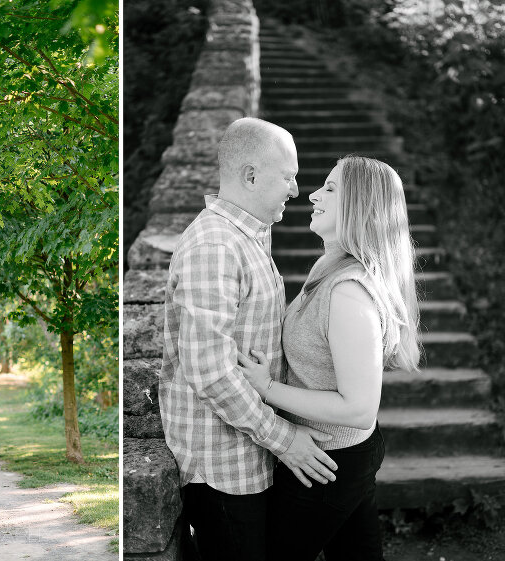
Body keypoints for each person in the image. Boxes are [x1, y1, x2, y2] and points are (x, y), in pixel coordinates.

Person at [159, 117, 339, 561]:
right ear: (251, 176)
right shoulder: (215, 247)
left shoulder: (250, 235)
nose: (296, 191)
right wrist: (283, 438)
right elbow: (210, 372)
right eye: (288, 177)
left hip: (247, 453)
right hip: (222, 466)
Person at [237, 155, 421, 560]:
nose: (313, 194)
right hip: (337, 454)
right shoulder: (329, 265)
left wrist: (267, 388)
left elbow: (359, 408)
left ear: (360, 206)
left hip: (331, 462)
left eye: (331, 188)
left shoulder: (349, 293)